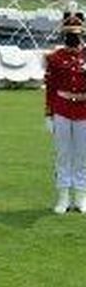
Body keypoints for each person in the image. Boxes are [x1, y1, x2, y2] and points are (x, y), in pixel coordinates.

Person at [44, 12, 86, 214]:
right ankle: (63, 197)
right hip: (62, 109)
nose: (73, 39)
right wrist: (49, 115)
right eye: (69, 35)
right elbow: (51, 88)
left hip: (84, 110)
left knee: (82, 155)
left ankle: (80, 197)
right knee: (63, 154)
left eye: (76, 35)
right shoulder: (55, 58)